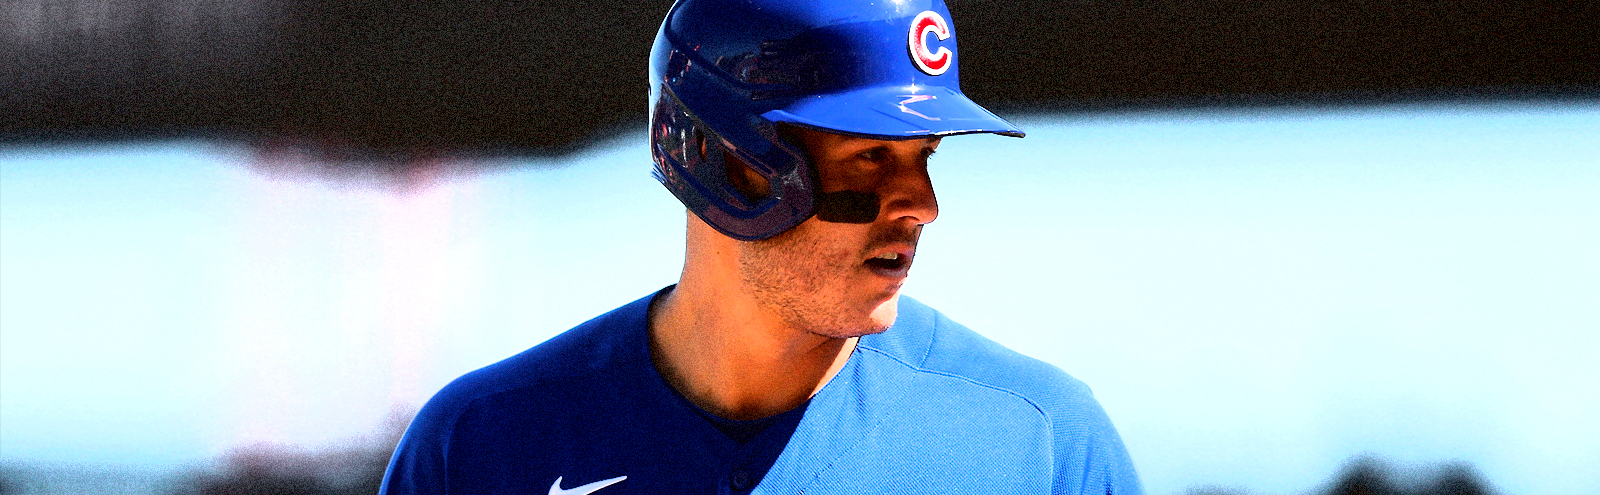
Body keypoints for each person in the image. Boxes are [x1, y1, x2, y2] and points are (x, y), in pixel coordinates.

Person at [381, 0, 1142, 493]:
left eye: (926, 158)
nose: (923, 206)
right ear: (729, 163)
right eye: (870, 157)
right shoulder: (480, 446)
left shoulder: (1041, 441)